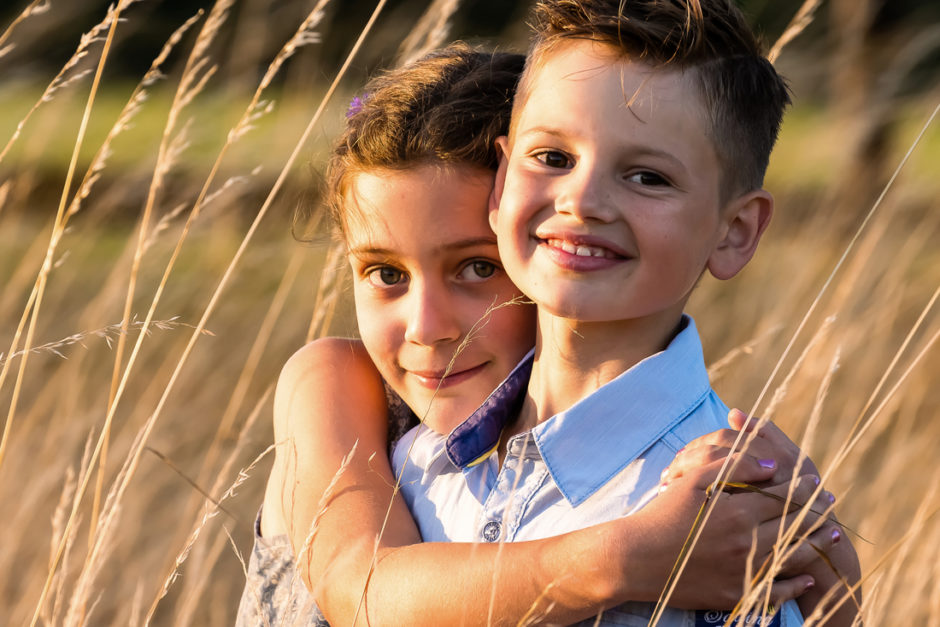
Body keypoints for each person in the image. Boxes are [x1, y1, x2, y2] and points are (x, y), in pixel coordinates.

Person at [237, 44, 844, 627]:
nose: (426, 327)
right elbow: (361, 589)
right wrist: (631, 558)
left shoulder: (688, 470)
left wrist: (833, 574)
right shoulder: (343, 390)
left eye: (478, 269)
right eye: (385, 273)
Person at [391, 1, 862, 626]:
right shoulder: (418, 446)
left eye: (647, 177)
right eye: (553, 158)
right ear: (502, 182)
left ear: (735, 231)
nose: (582, 200)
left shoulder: (724, 518)